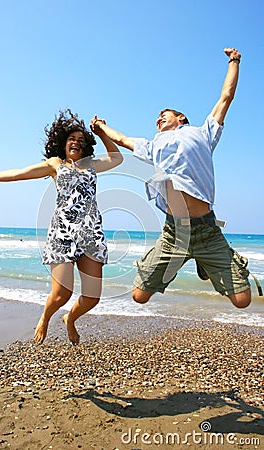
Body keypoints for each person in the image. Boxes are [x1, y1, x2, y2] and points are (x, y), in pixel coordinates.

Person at [90, 48, 252, 309]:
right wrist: (101, 129)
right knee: (139, 296)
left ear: (181, 118)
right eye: (157, 118)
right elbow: (121, 139)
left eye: (164, 114)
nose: (159, 118)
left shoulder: (203, 133)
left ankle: (205, 263)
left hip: (206, 231)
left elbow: (226, 97)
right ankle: (178, 261)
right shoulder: (154, 144)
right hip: (173, 232)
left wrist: (234, 61)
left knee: (242, 301)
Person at [0, 109, 123, 344]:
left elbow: (117, 158)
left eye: (81, 140)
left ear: (86, 148)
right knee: (61, 293)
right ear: (64, 143)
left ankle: (70, 319)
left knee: (92, 297)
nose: (76, 142)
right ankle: (45, 317)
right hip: (63, 233)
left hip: (90, 233)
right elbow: (21, 173)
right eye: (72, 138)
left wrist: (102, 132)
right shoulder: (56, 164)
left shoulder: (91, 165)